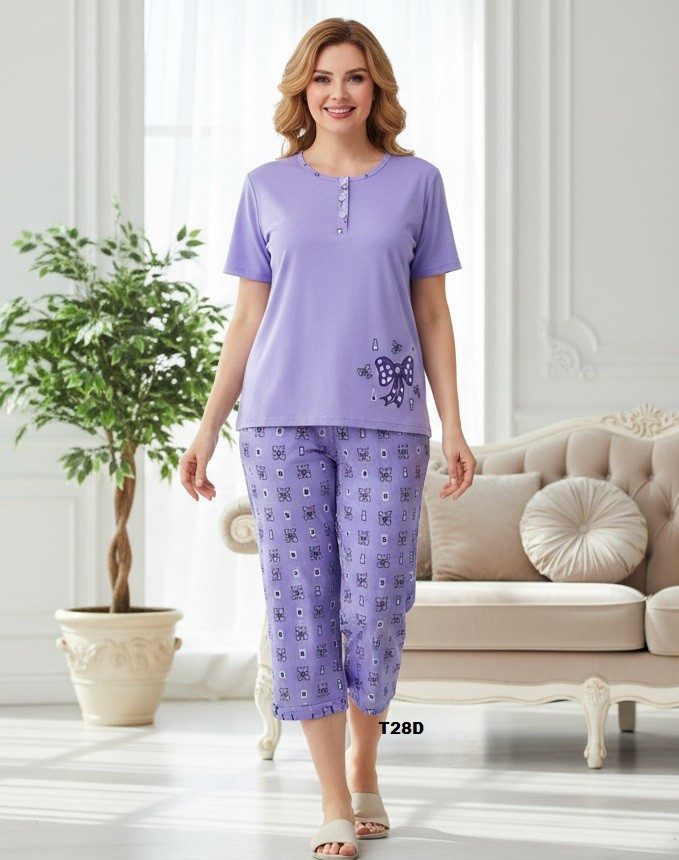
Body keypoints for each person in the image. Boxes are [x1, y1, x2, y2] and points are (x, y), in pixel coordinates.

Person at [180, 17, 476, 860]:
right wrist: (207, 427)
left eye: (352, 77)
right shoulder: (265, 187)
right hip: (278, 422)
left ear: (375, 87)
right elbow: (247, 319)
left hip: (388, 422)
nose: (336, 93)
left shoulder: (417, 182)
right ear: (301, 90)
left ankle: (366, 760)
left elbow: (432, 313)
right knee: (300, 605)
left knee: (375, 601)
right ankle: (333, 800)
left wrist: (454, 423)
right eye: (321, 78)